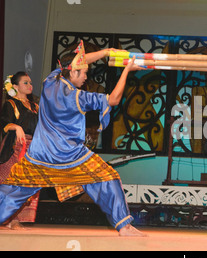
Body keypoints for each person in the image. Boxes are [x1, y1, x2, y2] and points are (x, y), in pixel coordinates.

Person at [0, 41, 145, 237]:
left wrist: (107, 52)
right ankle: (125, 227)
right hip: (72, 157)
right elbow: (113, 100)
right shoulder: (78, 97)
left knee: (13, 191)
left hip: (40, 156)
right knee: (109, 179)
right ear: (74, 72)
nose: (86, 76)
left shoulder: (49, 81)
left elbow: (74, 63)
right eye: (83, 72)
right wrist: (127, 70)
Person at [0, 72, 39, 229]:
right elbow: (4, 123)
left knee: (29, 184)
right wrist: (16, 127)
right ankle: (11, 219)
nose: (30, 85)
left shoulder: (35, 106)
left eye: (30, 82)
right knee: (13, 183)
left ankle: (19, 218)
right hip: (16, 146)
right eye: (25, 83)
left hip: (33, 148)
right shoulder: (11, 104)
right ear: (15, 86)